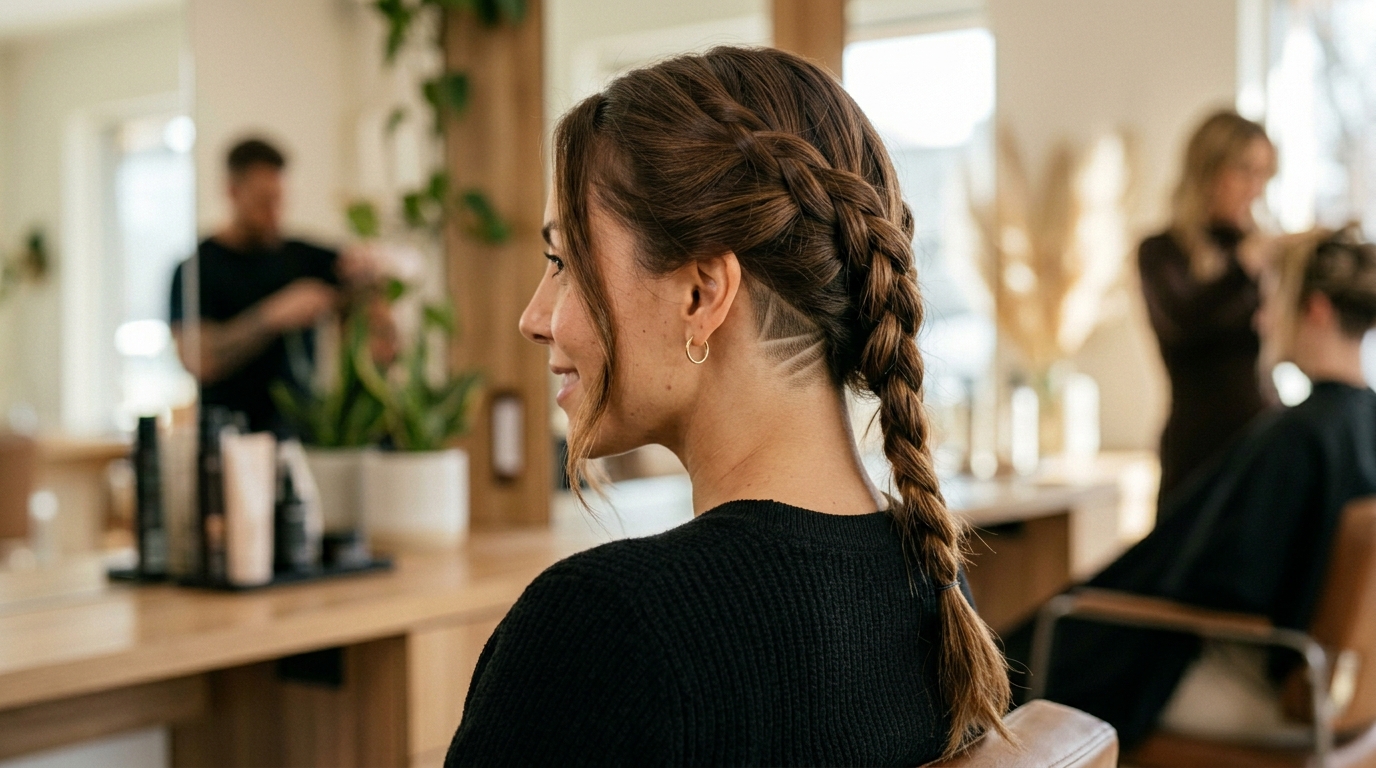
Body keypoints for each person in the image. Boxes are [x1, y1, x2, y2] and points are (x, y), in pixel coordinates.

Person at [445, 47, 1010, 766]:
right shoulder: (929, 584)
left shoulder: (607, 630)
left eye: (564, 264)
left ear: (702, 294)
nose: (534, 317)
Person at [1007, 227, 1376, 748]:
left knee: (1052, 643)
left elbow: (1223, 582)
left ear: (1315, 309)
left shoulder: (1299, 433)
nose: (1260, 319)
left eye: (1270, 300)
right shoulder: (1359, 422)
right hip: (1350, 691)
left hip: (1271, 689)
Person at [1139, 111, 1279, 506]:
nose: (1256, 189)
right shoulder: (1160, 252)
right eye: (1245, 171)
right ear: (1207, 170)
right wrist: (1244, 268)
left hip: (1261, 444)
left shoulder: (1261, 252)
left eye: (1264, 175)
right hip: (1196, 453)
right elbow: (1185, 320)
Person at [171, 138, 345, 434]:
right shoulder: (196, 268)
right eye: (263, 201)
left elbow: (367, 272)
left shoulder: (303, 257)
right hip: (229, 437)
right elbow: (198, 358)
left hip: (303, 436)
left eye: (279, 199)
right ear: (232, 192)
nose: (274, 212)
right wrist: (273, 315)